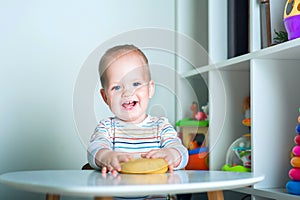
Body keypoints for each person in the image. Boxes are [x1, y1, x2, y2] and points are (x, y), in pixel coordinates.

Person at [87, 44, 188, 175]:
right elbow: (93, 150)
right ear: (105, 97)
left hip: (155, 193)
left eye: (136, 84)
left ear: (150, 89)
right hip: (118, 193)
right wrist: (106, 157)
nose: (127, 93)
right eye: (116, 87)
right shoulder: (107, 128)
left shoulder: (161, 126)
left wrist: (171, 154)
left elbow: (182, 152)